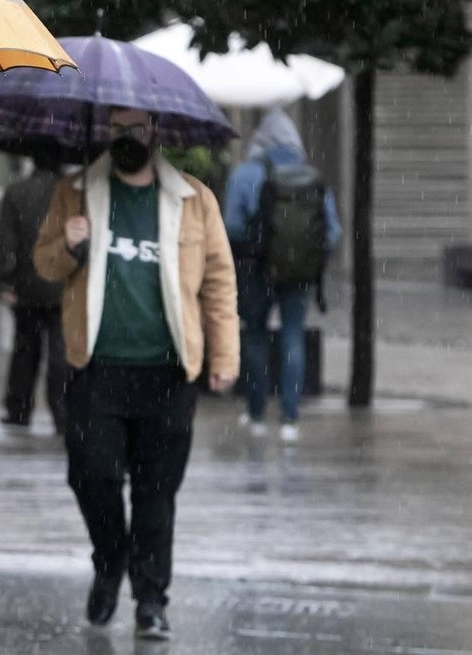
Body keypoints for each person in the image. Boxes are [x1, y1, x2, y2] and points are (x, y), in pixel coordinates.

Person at [33, 106, 239, 640]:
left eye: (136, 128)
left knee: (156, 492)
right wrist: (71, 243)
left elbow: (218, 283)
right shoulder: (74, 192)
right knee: (90, 476)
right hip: (95, 368)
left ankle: (151, 599)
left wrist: (225, 358)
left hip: (168, 372)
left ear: (156, 132)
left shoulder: (194, 200)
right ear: (104, 132)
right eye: (116, 129)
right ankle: (110, 561)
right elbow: (45, 265)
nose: (126, 138)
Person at [223, 108, 342, 443]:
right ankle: (290, 417)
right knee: (293, 336)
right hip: (299, 272)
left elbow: (230, 226)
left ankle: (257, 412)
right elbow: (332, 232)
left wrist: (256, 244)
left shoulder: (244, 174)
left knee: (256, 335)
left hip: (255, 270)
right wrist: (302, 254)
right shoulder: (311, 177)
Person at [0, 152, 69, 433]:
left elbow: (6, 240)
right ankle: (63, 411)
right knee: (61, 353)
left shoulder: (16, 192)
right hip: (64, 284)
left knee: (25, 350)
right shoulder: (72, 193)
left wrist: (2, 280)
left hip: (27, 285)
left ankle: (19, 409)